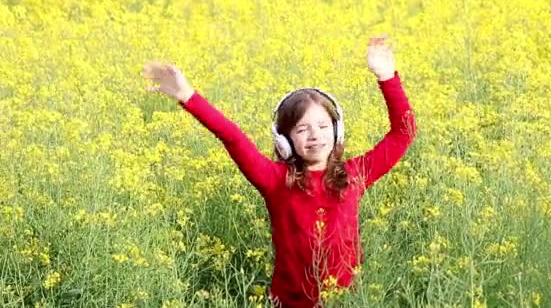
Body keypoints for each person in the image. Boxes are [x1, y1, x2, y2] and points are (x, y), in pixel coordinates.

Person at [142, 35, 417, 307]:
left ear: (336, 131)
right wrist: (187, 96)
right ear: (284, 142)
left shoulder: (354, 175)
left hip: (347, 302)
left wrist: (387, 77)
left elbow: (404, 133)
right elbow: (233, 137)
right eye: (301, 129)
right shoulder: (275, 180)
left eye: (323, 127)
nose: (314, 136)